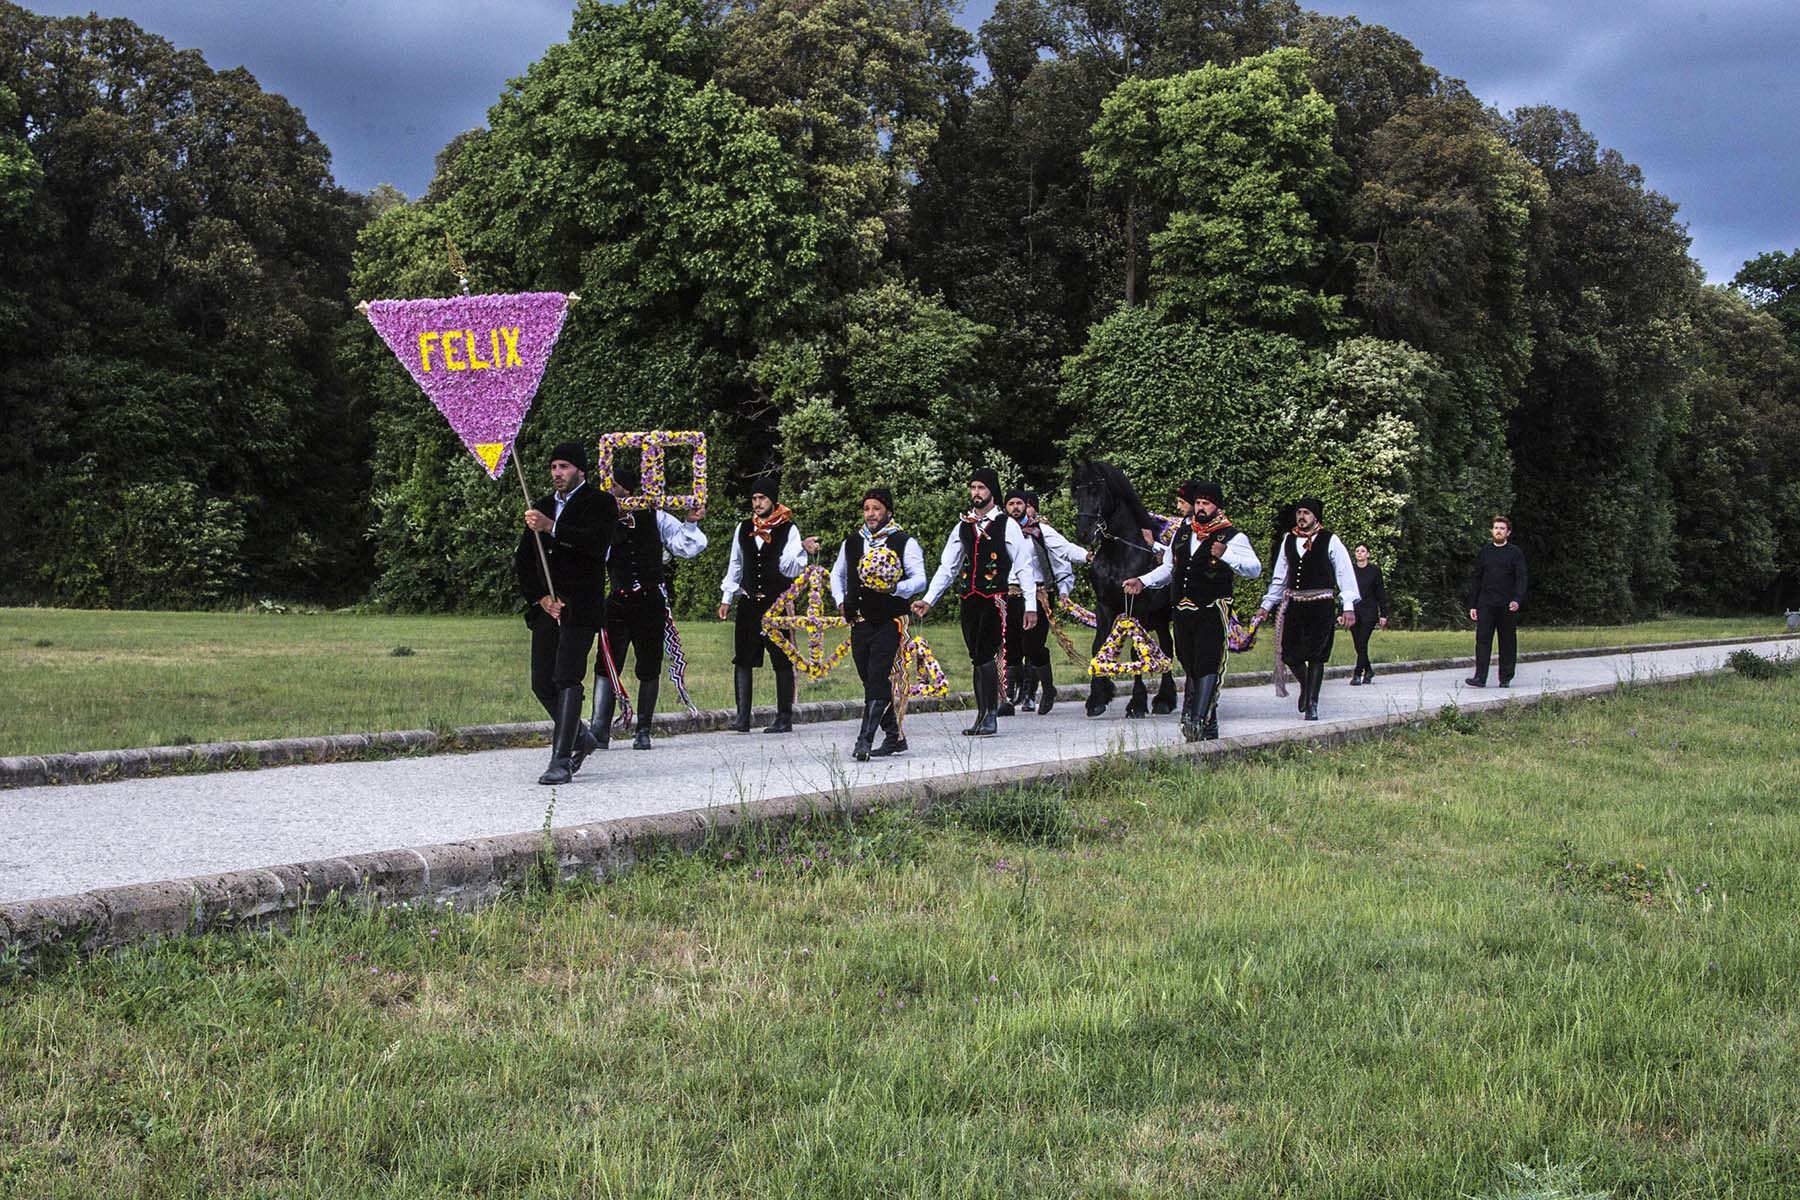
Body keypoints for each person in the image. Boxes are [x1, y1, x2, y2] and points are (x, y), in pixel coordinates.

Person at [1126, 481, 1261, 740]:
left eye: (1206, 504)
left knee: (1209, 661)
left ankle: (1197, 720)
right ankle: (1207, 723)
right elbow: (1169, 569)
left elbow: (1254, 570)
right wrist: (1143, 581)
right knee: (1189, 661)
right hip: (1182, 609)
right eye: (1198, 503)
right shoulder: (1183, 533)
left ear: (1217, 506)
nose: (1200, 508)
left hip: (1212, 608)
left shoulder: (1232, 536)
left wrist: (1227, 555)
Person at [516, 441, 618, 785]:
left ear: (580, 470)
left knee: (566, 678)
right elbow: (525, 561)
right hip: (549, 610)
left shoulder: (600, 503)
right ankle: (579, 736)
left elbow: (596, 544)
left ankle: (561, 760)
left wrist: (553, 528)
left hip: (581, 608)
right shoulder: (542, 506)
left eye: (564, 467)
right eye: (553, 467)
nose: (557, 473)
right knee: (541, 682)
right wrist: (542, 598)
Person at [591, 455, 707, 749]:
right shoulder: (603, 520)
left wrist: (691, 523)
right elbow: (591, 555)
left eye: (613, 486)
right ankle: (599, 730)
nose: (608, 490)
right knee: (606, 663)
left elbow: (686, 546)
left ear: (627, 490)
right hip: (618, 600)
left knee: (649, 664)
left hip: (650, 599)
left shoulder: (655, 516)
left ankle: (643, 730)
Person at [913, 467, 1039, 736]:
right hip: (969, 599)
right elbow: (948, 566)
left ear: (992, 491)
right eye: (973, 488)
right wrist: (929, 600)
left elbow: (1024, 567)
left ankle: (991, 714)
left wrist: (1030, 606)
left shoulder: (1008, 525)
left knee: (985, 653)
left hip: (995, 598)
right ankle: (982, 714)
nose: (976, 493)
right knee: (975, 656)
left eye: (981, 488)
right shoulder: (964, 526)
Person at [830, 487, 928, 760]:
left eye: (876, 508)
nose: (871, 514)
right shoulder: (852, 541)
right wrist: (840, 600)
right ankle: (895, 736)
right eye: (867, 509)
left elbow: (919, 579)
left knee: (877, 676)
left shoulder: (903, 541)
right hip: (859, 621)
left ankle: (864, 741)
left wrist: (895, 588)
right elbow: (836, 575)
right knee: (868, 678)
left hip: (889, 620)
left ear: (888, 512)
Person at [718, 474, 819, 734]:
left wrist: (803, 549)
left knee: (782, 658)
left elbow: (790, 567)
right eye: (754, 498)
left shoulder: (788, 528)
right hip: (750, 602)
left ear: (773, 500)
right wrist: (727, 598)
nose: (757, 503)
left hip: (776, 604)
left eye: (762, 498)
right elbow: (736, 564)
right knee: (743, 658)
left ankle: (784, 717)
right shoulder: (743, 528)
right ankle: (743, 717)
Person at [1256, 497, 1358, 721]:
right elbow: (1279, 577)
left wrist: (1347, 606)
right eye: (1299, 512)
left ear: (1316, 517)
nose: (1301, 517)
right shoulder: (1288, 540)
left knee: (1316, 655)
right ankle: (1306, 686)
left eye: (1306, 513)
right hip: (1295, 604)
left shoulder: (1330, 540)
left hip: (1321, 604)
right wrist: (1266, 606)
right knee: (1290, 654)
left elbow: (1344, 574)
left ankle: (1312, 703)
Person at [1011, 489, 1084, 715]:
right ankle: (1008, 696)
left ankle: (1047, 689)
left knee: (1033, 646)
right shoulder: (1001, 530)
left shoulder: (1041, 531)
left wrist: (1088, 556)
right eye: (1011, 503)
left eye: (1020, 503)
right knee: (1010, 645)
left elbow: (1065, 552)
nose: (1016, 507)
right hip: (1010, 594)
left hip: (1039, 592)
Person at [1464, 515, 1527, 688]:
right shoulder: (1485, 552)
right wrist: (1473, 604)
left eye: (1502, 528)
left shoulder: (1515, 553)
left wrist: (1517, 599)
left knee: (1507, 641)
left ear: (1508, 532)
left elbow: (1521, 578)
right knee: (1482, 639)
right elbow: (1477, 578)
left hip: (1507, 604)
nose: (1498, 531)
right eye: (1496, 528)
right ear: (1492, 531)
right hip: (1486, 603)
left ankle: (1505, 677)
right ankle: (1480, 677)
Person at [1348, 543, 1389, 685]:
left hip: (1369, 612)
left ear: (1368, 554)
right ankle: (1369, 670)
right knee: (1358, 645)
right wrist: (1342, 611)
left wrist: (1383, 613)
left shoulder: (1374, 571)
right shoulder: (1350, 570)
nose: (1360, 553)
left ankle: (1357, 674)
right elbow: (1345, 592)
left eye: (1363, 551)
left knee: (1362, 643)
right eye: (1357, 551)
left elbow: (1380, 593)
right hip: (1353, 611)